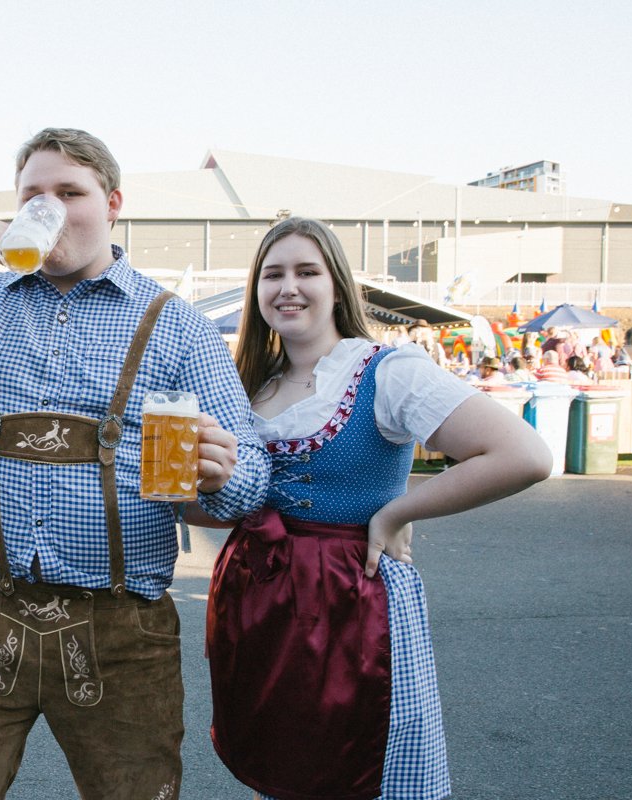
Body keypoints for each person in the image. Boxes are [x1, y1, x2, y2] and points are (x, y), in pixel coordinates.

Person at [0, 127, 269, 799]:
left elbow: (247, 476)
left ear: (112, 204)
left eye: (70, 192)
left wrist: (219, 477)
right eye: (32, 195)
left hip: (123, 628)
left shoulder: (173, 324)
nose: (51, 208)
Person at [205, 217, 552, 800]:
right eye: (273, 274)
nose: (288, 287)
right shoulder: (249, 386)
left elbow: (523, 454)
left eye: (306, 272)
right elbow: (222, 510)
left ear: (336, 285)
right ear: (256, 291)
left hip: (354, 600)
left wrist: (393, 514)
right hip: (260, 599)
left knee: (366, 765)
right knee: (286, 760)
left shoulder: (386, 372)